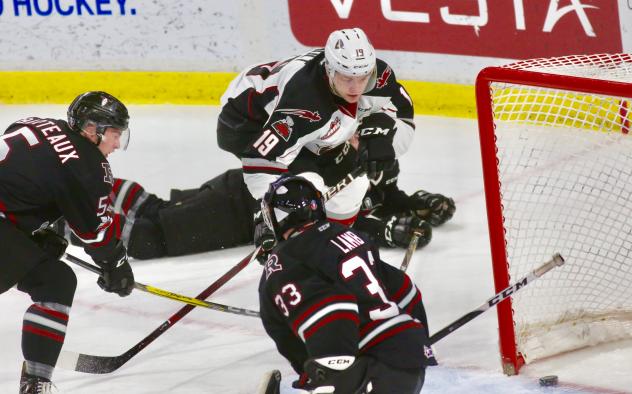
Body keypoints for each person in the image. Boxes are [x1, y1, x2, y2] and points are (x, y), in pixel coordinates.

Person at [217, 27, 422, 261]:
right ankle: (286, 254)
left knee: (352, 187)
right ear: (329, 68)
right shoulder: (303, 102)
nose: (356, 88)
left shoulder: (379, 76)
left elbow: (402, 114)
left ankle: (335, 241)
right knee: (302, 190)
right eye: (347, 78)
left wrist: (381, 136)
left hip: (309, 128)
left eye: (363, 77)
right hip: (245, 120)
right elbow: (261, 160)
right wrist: (271, 206)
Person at [0, 91, 136, 393]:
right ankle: (36, 383)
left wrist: (30, 233)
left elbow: (22, 179)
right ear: (91, 130)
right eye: (114, 134)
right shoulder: (89, 168)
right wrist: (117, 266)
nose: (116, 144)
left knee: (53, 278)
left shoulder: (36, 124)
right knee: (56, 284)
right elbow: (96, 237)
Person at [55, 162, 454, 260]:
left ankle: (79, 196)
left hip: (243, 190)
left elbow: (386, 196)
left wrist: (421, 203)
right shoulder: (347, 161)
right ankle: (66, 222)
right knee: (146, 239)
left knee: (156, 210)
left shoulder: (363, 164)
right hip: (241, 208)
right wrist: (388, 231)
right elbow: (341, 227)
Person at [258, 176, 432, 394]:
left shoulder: (285, 258)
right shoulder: (351, 236)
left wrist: (326, 372)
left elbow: (332, 307)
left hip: (369, 369)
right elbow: (407, 290)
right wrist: (419, 343)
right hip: (411, 364)